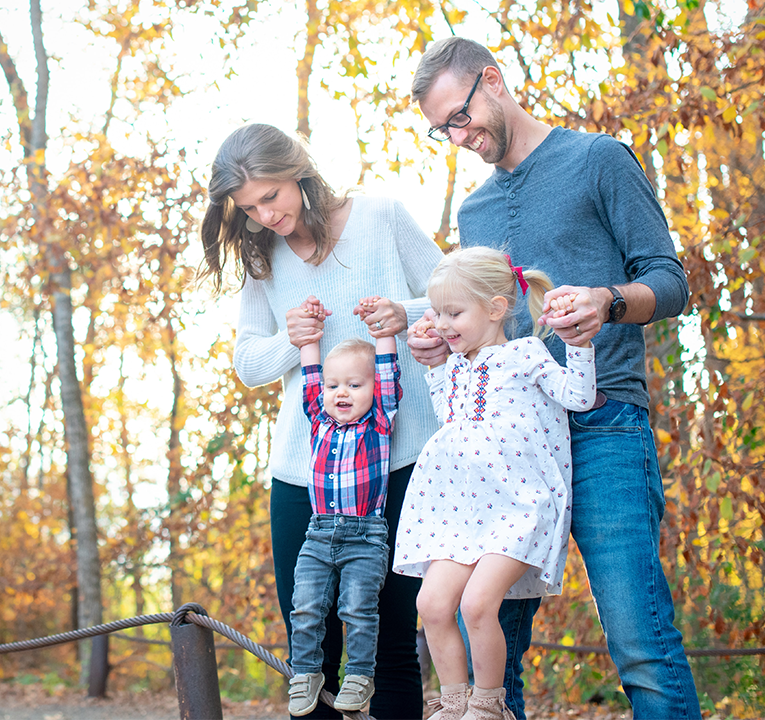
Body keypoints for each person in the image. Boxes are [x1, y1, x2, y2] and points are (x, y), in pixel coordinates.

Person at [407, 37, 700, 719]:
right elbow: (490, 328)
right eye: (443, 129)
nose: (459, 137)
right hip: (503, 454)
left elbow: (671, 281)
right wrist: (443, 343)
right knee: (488, 654)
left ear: (492, 80)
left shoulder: (599, 159)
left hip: (603, 426)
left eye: (460, 117)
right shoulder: (476, 211)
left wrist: (608, 301)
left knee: (638, 636)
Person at [200, 122, 443, 718]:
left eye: (271, 196)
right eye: (249, 208)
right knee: (310, 647)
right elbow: (248, 364)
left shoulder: (381, 217)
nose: (265, 216)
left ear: (299, 173)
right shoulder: (263, 257)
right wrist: (290, 340)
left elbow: (457, 299)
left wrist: (405, 313)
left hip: (399, 463)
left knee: (390, 642)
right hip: (304, 475)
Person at [393, 248, 596, 719]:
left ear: (495, 308)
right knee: (431, 603)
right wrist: (436, 369)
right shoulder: (456, 364)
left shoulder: (525, 354)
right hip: (459, 510)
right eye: (436, 312)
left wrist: (580, 346)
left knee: (477, 605)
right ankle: (453, 704)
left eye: (453, 312)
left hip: (517, 506)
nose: (441, 323)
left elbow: (579, 397)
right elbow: (449, 417)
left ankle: (488, 704)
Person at [286, 296, 401, 715]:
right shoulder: (318, 419)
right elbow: (311, 377)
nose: (342, 393)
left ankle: (359, 676)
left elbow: (387, 374)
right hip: (317, 533)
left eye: (354, 385)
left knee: (357, 609)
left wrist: (383, 333)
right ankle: (305, 672)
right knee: (305, 606)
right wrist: (310, 338)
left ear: (373, 390)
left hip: (365, 537)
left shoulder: (379, 421)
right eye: (334, 386)